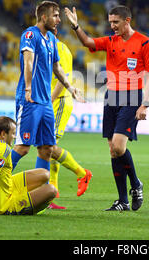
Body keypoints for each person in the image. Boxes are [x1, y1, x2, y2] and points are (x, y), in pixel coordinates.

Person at [65, 5, 149, 211]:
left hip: (133, 96)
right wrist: (76, 26)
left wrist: (146, 103)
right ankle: (123, 200)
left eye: (116, 22)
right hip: (111, 97)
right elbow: (87, 42)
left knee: (118, 146)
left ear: (127, 21)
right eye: (110, 22)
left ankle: (136, 184)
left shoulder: (144, 42)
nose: (112, 26)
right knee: (113, 150)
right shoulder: (110, 41)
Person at [10, 1, 83, 178]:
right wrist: (28, 88)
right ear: (44, 17)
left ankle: (39, 193)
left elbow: (57, 68)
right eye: (55, 15)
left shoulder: (50, 39)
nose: (59, 19)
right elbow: (28, 61)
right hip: (31, 100)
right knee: (23, 147)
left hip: (46, 103)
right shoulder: (30, 34)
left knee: (46, 148)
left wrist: (70, 87)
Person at [0, 116, 56, 216]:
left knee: (44, 174)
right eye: (13, 133)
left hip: (8, 188)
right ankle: (30, 206)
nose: (14, 137)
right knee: (51, 190)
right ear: (3, 134)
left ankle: (27, 199)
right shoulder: (3, 147)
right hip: (4, 205)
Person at [49, 28, 92, 209]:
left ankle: (82, 173)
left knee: (49, 147)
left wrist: (49, 101)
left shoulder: (60, 49)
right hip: (54, 101)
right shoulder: (52, 47)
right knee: (47, 148)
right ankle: (52, 191)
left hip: (58, 102)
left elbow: (62, 79)